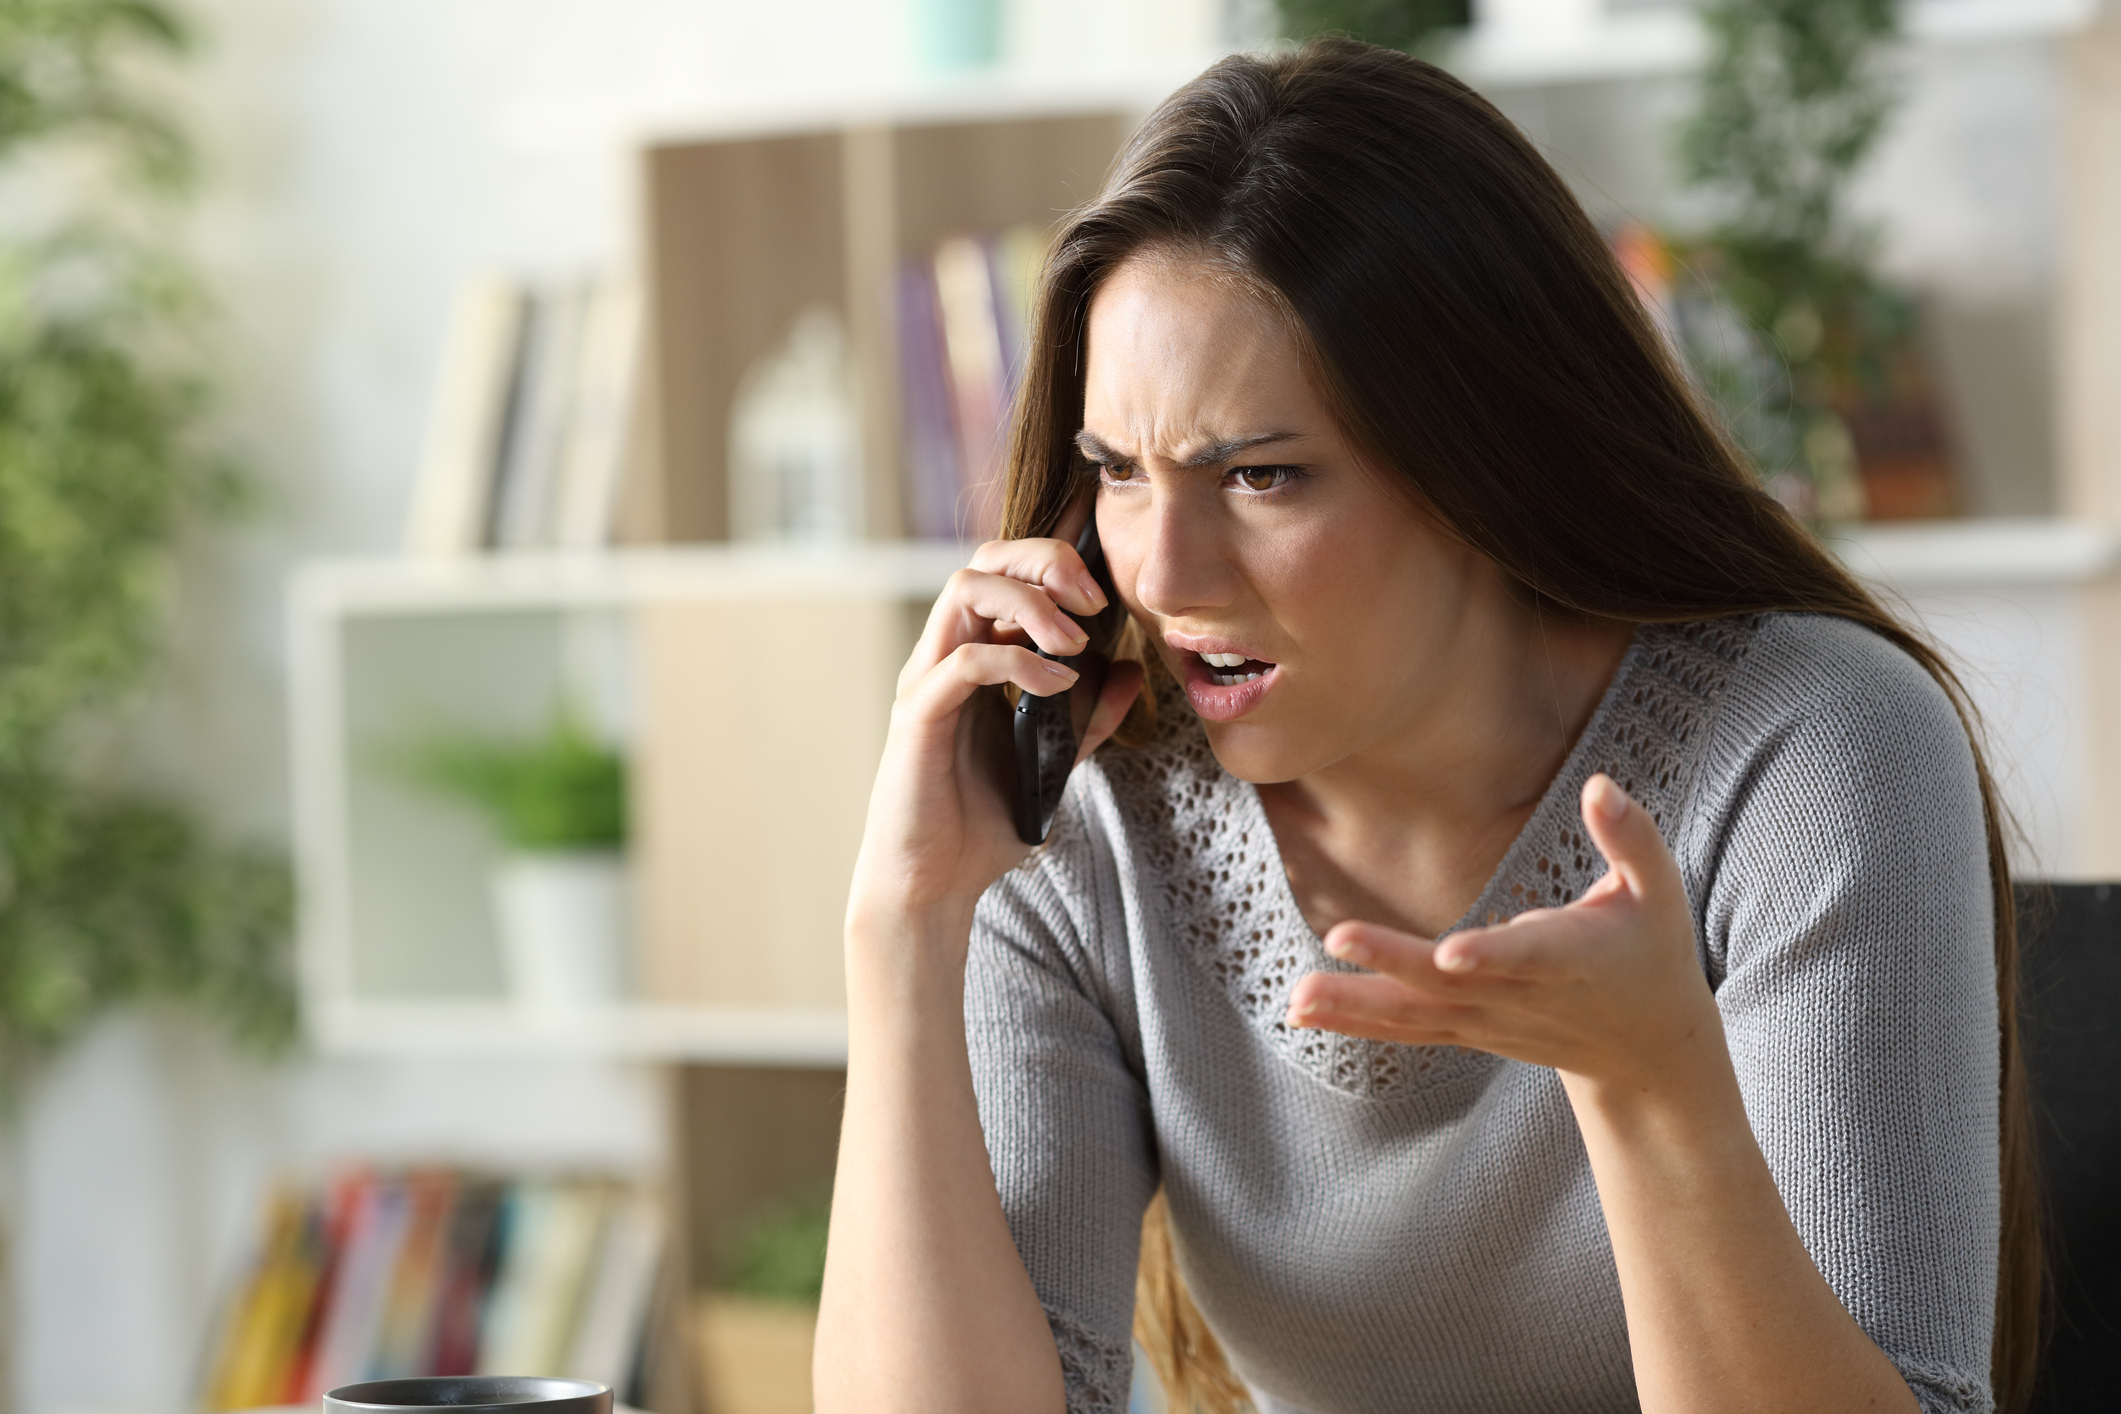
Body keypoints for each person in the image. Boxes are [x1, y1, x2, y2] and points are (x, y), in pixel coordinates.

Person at [814, 38, 2035, 1414]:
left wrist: (1652, 1092)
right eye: (1117, 472)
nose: (1161, 574)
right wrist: (905, 928)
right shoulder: (1089, 805)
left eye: (1263, 476)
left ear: (1482, 461)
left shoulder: (1805, 747)